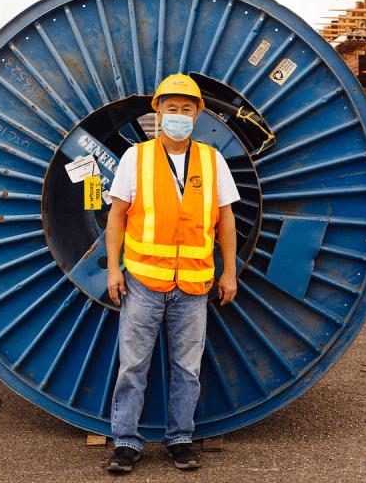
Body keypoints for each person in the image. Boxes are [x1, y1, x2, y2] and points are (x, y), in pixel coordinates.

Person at [105, 73, 239, 474]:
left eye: (186, 108)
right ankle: (126, 442)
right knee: (133, 366)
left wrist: (228, 272)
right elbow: (115, 216)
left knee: (187, 368)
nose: (178, 115)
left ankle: (180, 438)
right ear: (158, 113)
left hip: (194, 285)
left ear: (197, 113)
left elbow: (226, 221)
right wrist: (114, 269)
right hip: (144, 282)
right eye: (171, 108)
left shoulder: (212, 160)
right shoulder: (137, 157)